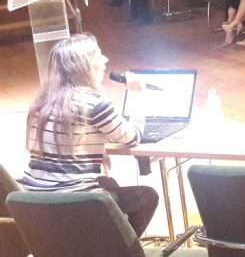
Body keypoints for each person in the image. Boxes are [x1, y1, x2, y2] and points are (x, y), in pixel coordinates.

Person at [21, 34, 159, 237]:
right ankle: (121, 250)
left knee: (108, 183)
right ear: (84, 66)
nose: (105, 60)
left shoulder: (42, 101)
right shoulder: (94, 103)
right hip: (75, 200)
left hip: (33, 198)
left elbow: (68, 136)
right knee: (147, 196)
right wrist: (137, 94)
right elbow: (132, 137)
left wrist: (95, 145)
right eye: (99, 55)